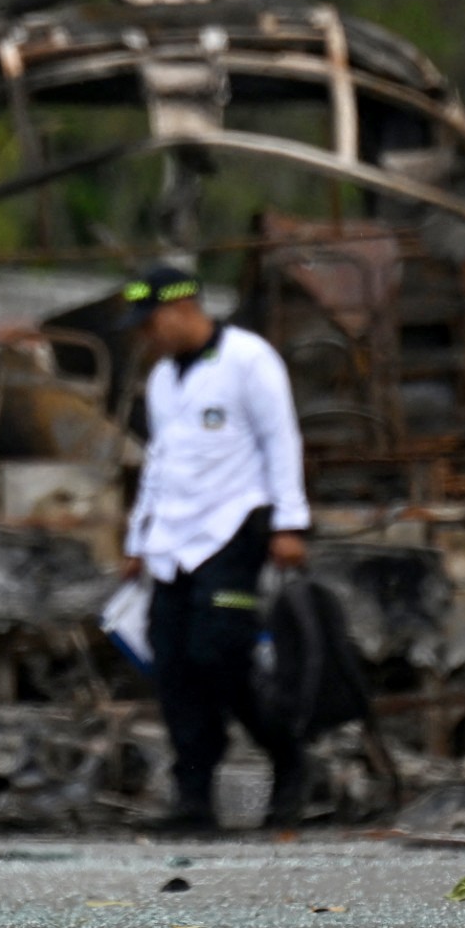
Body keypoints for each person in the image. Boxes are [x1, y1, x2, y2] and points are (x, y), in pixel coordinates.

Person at [119, 266, 311, 831]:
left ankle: (288, 756)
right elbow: (157, 464)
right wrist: (138, 538)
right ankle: (194, 797)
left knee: (221, 656)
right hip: (172, 542)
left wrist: (290, 523)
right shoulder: (162, 380)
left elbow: (282, 439)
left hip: (231, 532)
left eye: (151, 323)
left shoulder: (249, 361)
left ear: (182, 310)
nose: (148, 336)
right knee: (173, 664)